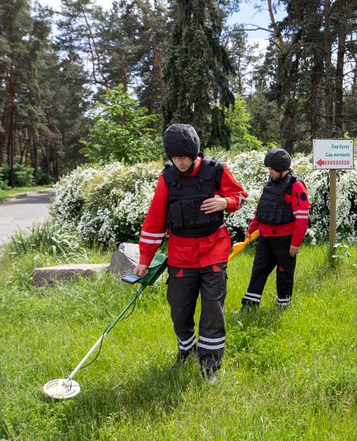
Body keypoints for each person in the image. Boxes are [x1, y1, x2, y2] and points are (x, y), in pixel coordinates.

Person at [133, 124, 248, 381]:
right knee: (179, 310)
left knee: (212, 310)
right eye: (174, 157)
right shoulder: (167, 178)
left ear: (195, 153)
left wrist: (225, 202)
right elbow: (154, 221)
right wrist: (144, 261)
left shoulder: (216, 170)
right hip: (180, 255)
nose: (179, 161)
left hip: (214, 251)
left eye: (183, 156)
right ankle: (186, 352)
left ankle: (210, 368)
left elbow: (240, 196)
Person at [239, 148, 310, 309]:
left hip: (285, 240)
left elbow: (302, 217)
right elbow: (261, 209)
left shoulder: (296, 186)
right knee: (258, 270)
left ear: (281, 168)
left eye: (272, 169)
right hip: (266, 237)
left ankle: (283, 305)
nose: (269, 172)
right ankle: (249, 306)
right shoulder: (271, 183)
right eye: (269, 169)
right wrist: (251, 229)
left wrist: (295, 243)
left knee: (284, 273)